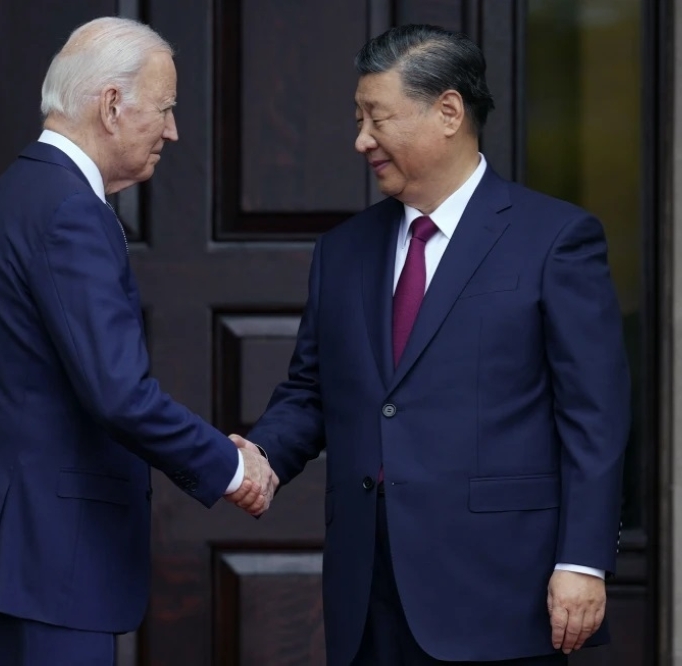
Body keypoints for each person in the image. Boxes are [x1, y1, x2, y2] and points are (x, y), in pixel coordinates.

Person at [236, 24, 630, 665]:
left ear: (448, 111)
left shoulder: (554, 238)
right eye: (358, 118)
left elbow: (595, 415)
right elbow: (311, 390)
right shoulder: (343, 251)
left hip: (500, 587)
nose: (361, 139)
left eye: (376, 118)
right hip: (368, 589)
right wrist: (257, 459)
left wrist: (583, 559)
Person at [0, 17, 276, 665]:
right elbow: (119, 394)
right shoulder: (69, 212)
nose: (173, 131)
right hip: (43, 562)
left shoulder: (5, 200)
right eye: (163, 110)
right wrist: (229, 465)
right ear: (111, 105)